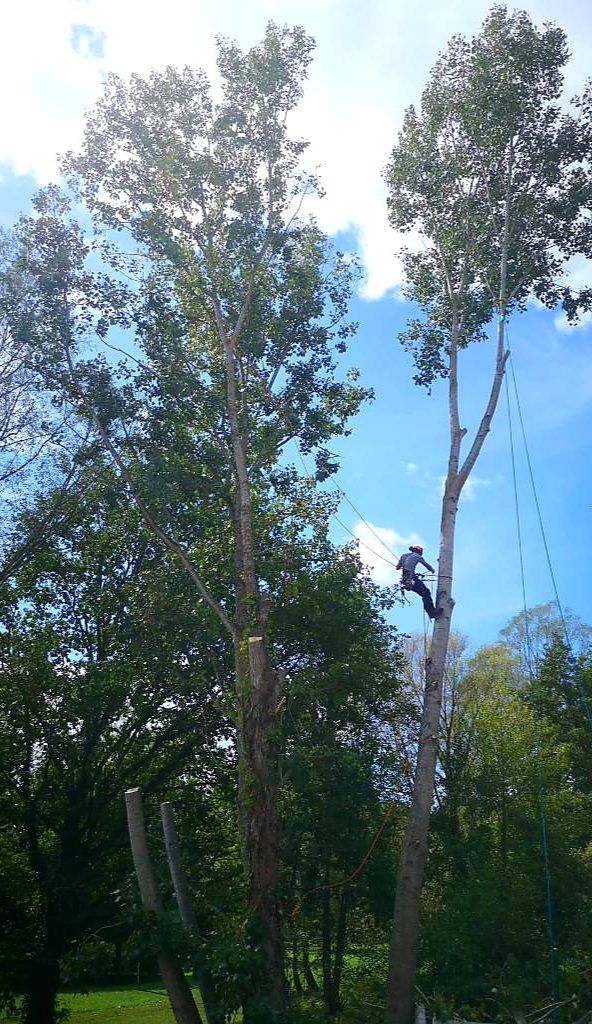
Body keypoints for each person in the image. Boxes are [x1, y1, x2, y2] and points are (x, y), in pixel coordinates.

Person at [397, 545, 441, 620]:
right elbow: (427, 565)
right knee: (426, 593)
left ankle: (409, 585)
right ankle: (432, 612)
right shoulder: (418, 556)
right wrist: (432, 570)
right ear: (419, 551)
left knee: (424, 593)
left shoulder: (403, 555)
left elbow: (397, 567)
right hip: (411, 578)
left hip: (405, 579)